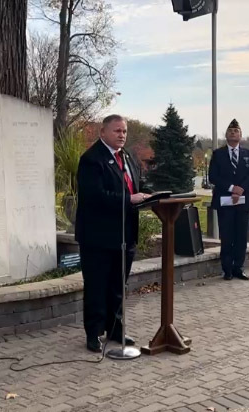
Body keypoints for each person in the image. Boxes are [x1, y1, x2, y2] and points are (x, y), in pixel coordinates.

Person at [75, 114, 151, 353]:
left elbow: (134, 186)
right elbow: (95, 197)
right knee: (97, 286)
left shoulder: (127, 157)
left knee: (119, 285)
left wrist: (150, 196)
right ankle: (94, 333)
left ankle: (116, 329)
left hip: (124, 234)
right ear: (103, 132)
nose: (122, 135)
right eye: (117, 131)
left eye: (125, 131)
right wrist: (130, 199)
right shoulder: (91, 160)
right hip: (98, 237)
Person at [208, 119, 249, 281]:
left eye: (236, 131)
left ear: (241, 136)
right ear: (226, 135)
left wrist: (241, 189)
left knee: (241, 236)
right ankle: (227, 269)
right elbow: (213, 176)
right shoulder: (218, 154)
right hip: (225, 202)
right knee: (227, 236)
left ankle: (238, 268)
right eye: (230, 131)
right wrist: (231, 188)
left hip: (244, 202)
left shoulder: (248, 155)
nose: (233, 133)